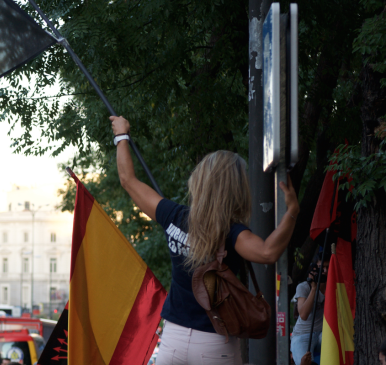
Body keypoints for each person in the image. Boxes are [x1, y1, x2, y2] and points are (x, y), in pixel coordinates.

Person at [110, 116, 300, 365]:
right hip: (214, 345)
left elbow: (128, 180)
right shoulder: (231, 233)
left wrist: (121, 136)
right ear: (237, 190)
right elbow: (267, 252)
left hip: (172, 341)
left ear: (200, 182)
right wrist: (292, 213)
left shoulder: (173, 215)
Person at [290, 252, 329, 365]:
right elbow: (303, 314)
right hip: (303, 334)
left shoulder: (335, 286)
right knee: (304, 363)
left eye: (328, 267)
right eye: (322, 268)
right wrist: (313, 288)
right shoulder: (303, 287)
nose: (325, 271)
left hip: (324, 333)